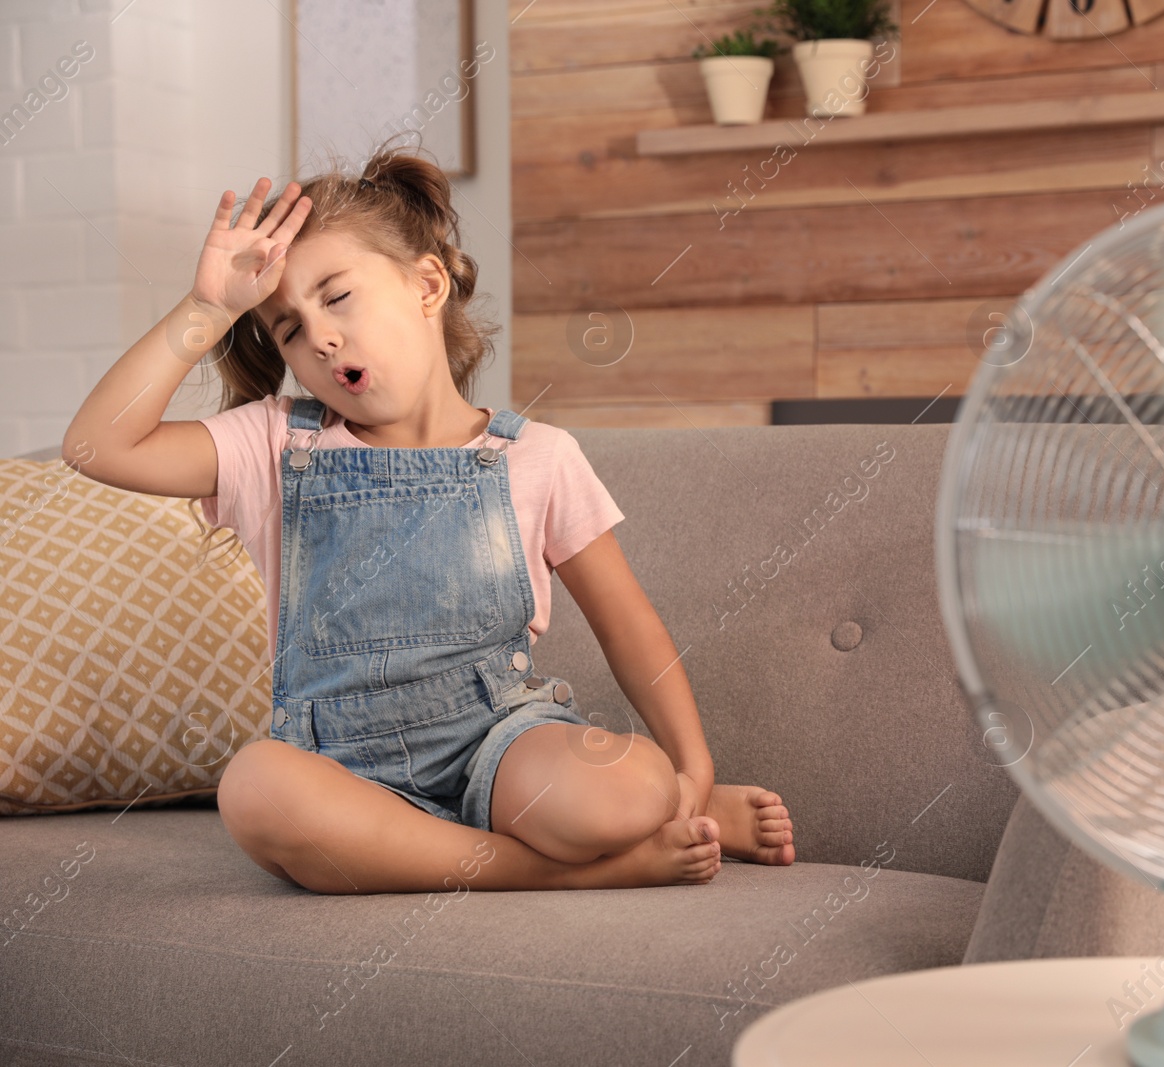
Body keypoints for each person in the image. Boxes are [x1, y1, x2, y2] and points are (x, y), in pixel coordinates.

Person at [60, 146, 795, 894]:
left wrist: (692, 773)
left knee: (630, 786)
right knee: (253, 785)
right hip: (344, 772)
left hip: (500, 743)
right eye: (288, 328)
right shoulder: (277, 443)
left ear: (427, 284)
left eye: (337, 296)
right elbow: (96, 444)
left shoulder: (538, 456)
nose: (319, 336)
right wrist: (208, 310)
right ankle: (562, 873)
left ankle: (665, 816)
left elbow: (629, 626)